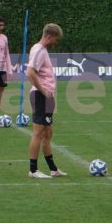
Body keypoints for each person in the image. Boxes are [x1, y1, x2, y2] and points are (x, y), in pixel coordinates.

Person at [26, 23, 67, 179]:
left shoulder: (42, 51)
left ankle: (53, 169)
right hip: (40, 96)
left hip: (47, 98)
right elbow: (30, 72)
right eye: (55, 40)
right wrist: (43, 91)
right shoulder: (38, 50)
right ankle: (33, 170)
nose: (55, 43)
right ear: (48, 36)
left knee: (48, 133)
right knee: (38, 133)